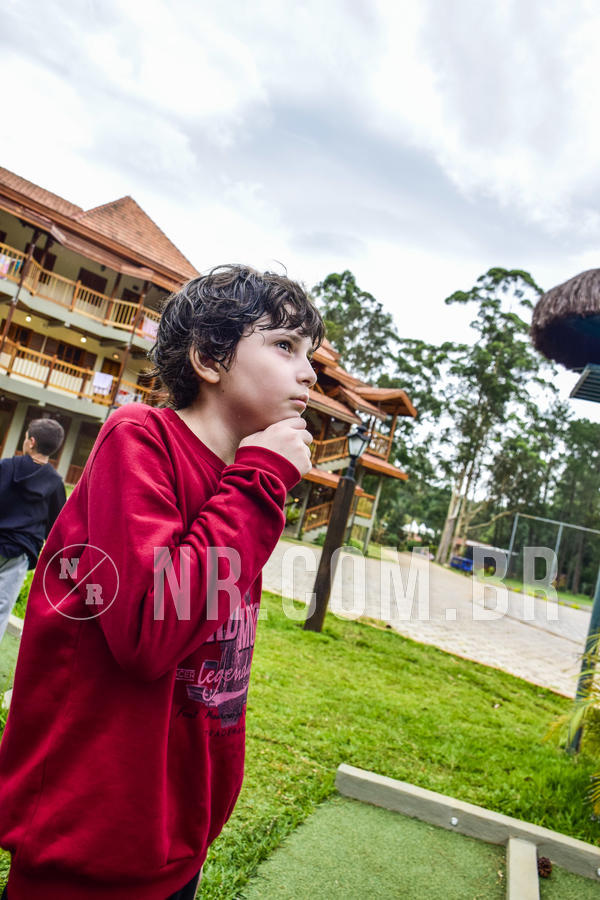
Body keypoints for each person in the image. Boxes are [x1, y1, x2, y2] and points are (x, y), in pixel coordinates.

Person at [0, 265, 323, 900]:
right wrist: (261, 481)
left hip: (173, 835)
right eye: (284, 346)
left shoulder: (240, 480)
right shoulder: (139, 439)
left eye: (309, 355)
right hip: (88, 836)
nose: (308, 372)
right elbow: (152, 630)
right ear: (208, 356)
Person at [0, 418, 66, 644]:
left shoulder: (6, 467)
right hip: (19, 553)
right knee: (1, 609)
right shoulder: (56, 483)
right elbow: (57, 528)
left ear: (31, 442)